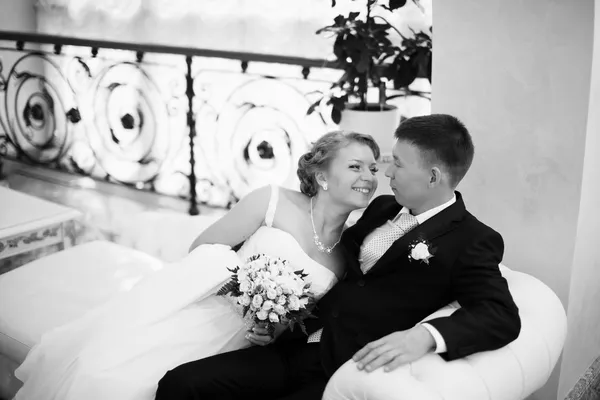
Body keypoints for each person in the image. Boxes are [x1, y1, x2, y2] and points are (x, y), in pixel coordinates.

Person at [155, 114, 522, 400]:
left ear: (433, 176)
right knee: (182, 384)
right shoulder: (381, 207)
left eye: (398, 164)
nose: (385, 172)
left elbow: (501, 315)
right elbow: (333, 261)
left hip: (343, 370)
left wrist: (424, 336)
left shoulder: (472, 240)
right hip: (292, 347)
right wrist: (280, 316)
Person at [12, 130, 380, 400]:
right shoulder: (271, 201)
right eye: (355, 166)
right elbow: (203, 246)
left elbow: (299, 318)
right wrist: (249, 285)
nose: (369, 177)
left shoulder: (345, 254)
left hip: (242, 347)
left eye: (373, 168)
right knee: (108, 379)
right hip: (201, 310)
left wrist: (271, 329)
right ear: (321, 176)